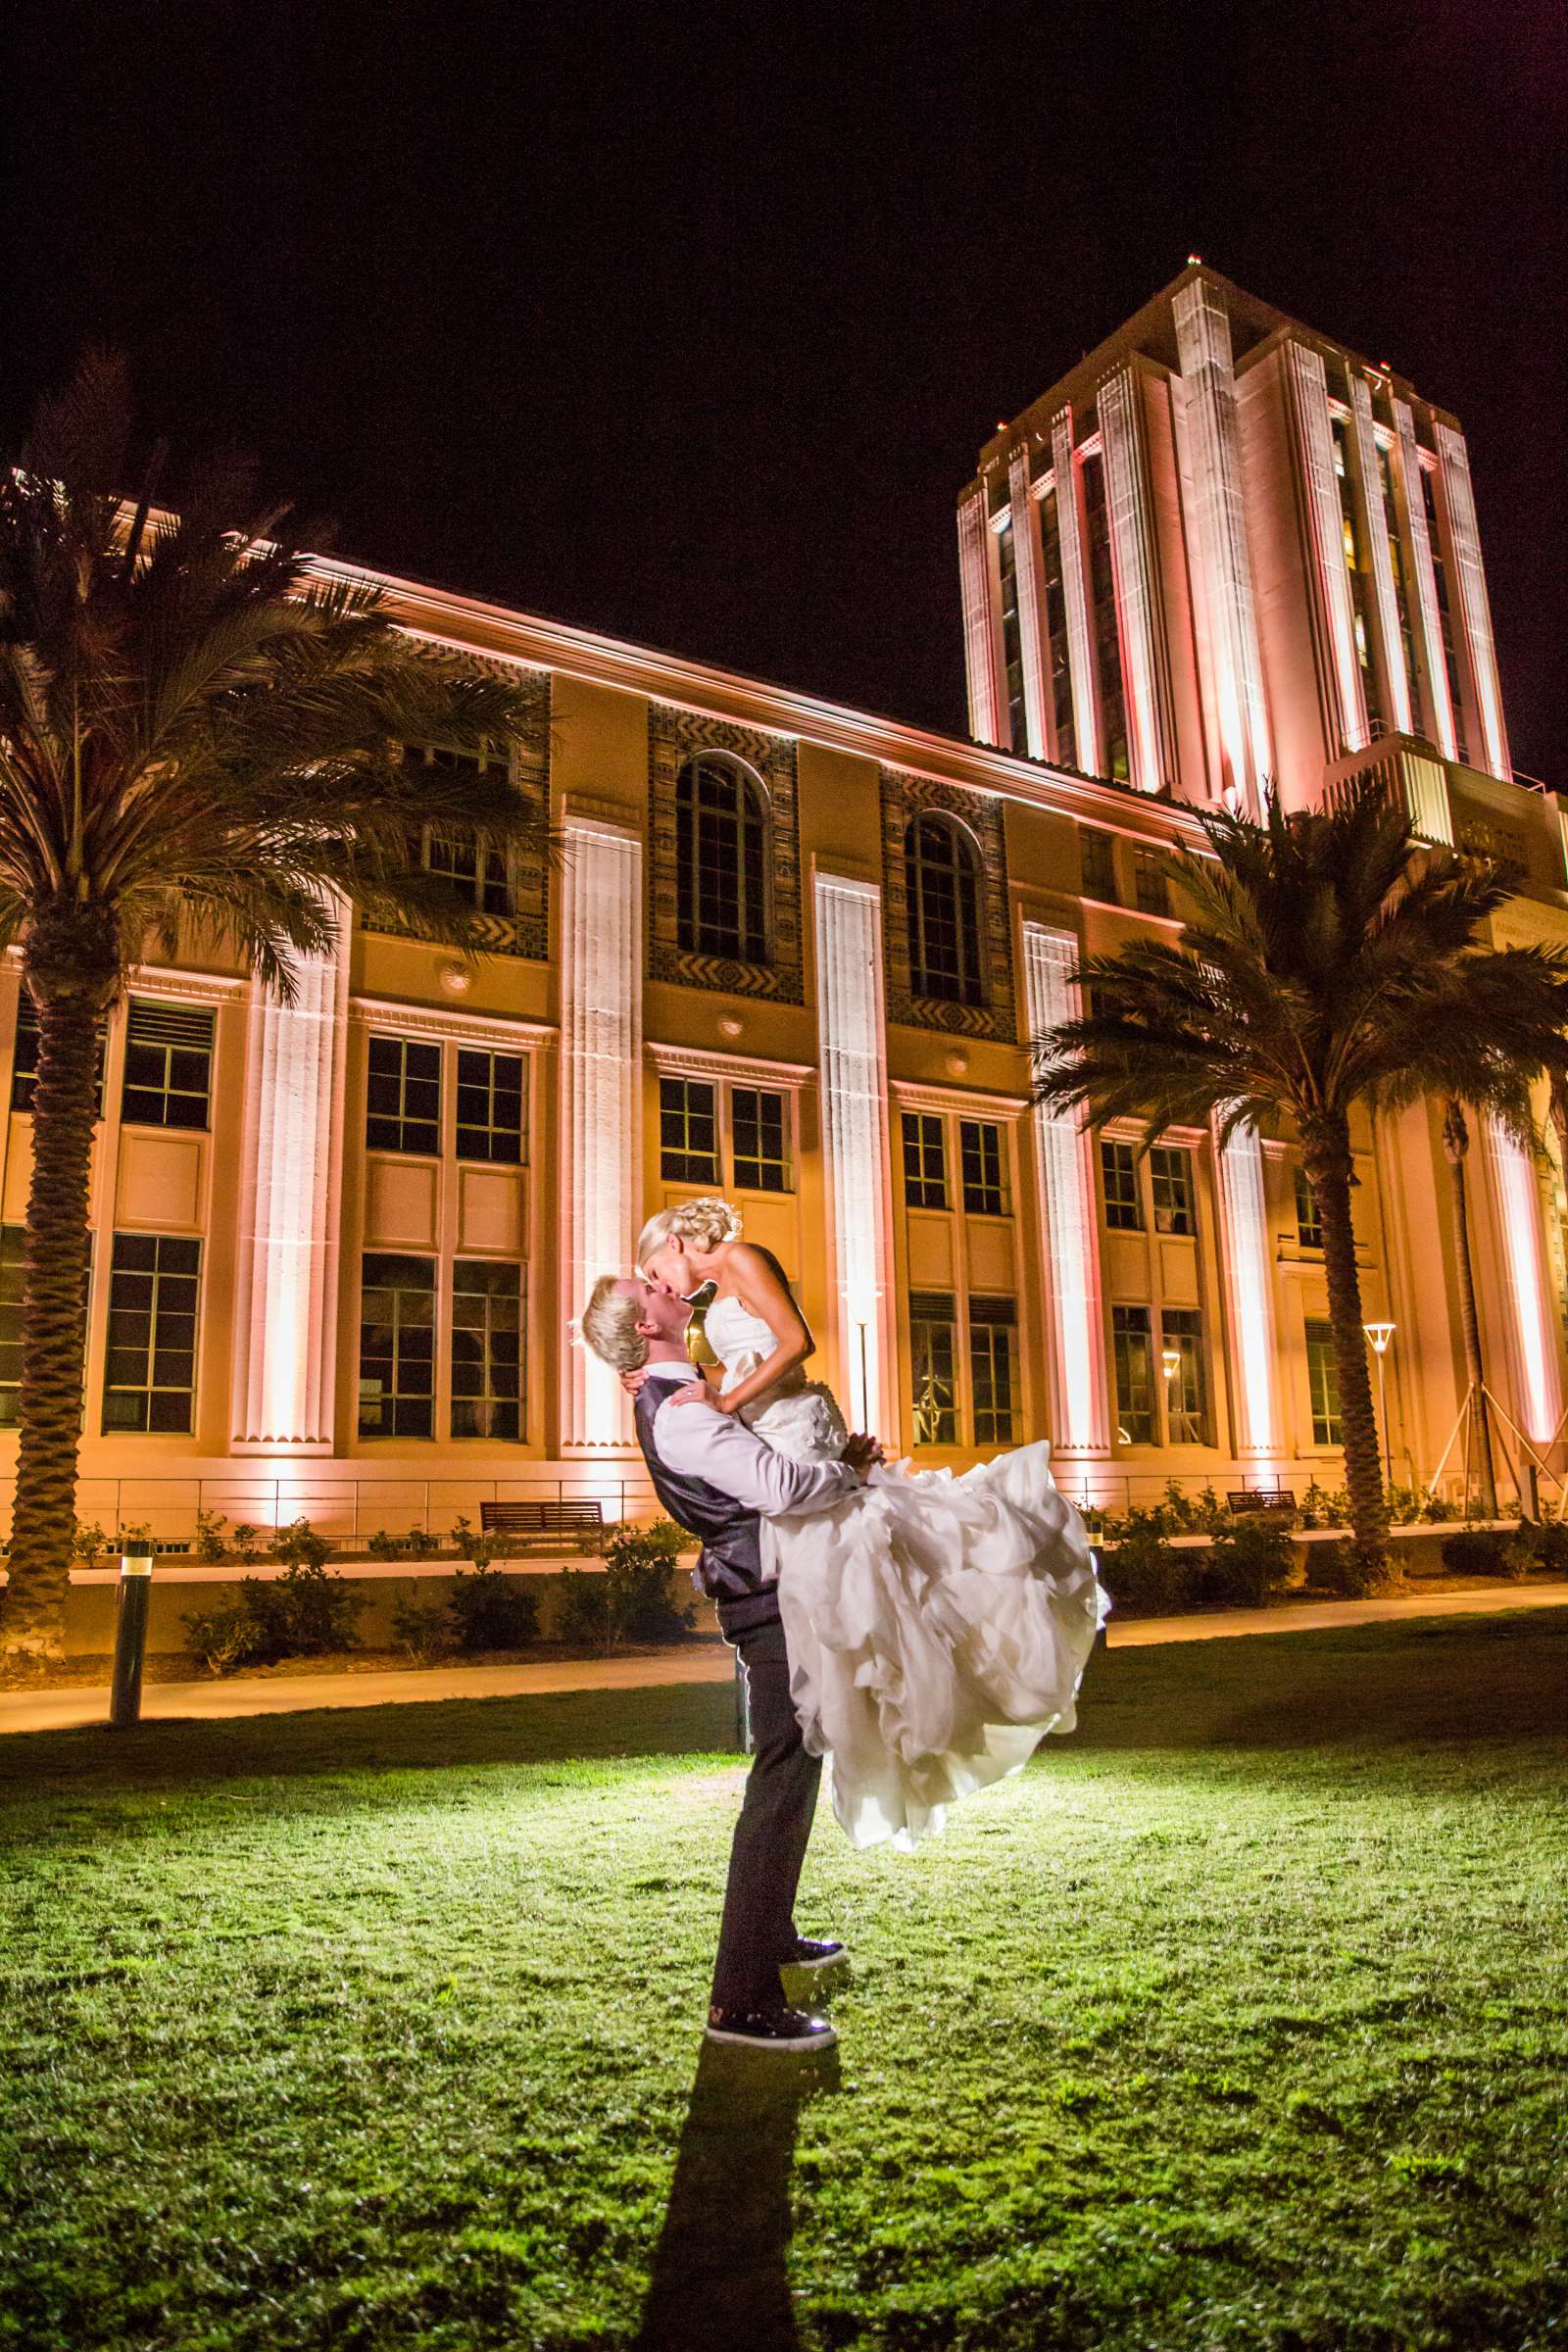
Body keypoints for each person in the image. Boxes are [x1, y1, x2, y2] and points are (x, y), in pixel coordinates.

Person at [634, 1199, 1107, 1853]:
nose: (661, 1285)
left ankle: (917, 1689)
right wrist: (673, 1376)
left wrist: (724, 1400)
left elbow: (798, 1343)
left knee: (864, 1558)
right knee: (847, 1578)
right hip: (779, 1428)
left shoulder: (744, 1258)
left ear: (675, 1243)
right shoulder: (716, 1295)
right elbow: (748, 1362)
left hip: (795, 1424)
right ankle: (853, 1711)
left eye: (656, 1269)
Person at [579, 1270, 884, 2056]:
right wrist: (846, 1472)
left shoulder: (684, 1394)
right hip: (768, 1598)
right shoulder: (681, 1413)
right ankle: (739, 2002)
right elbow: (778, 1485)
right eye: (645, 1289)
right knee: (780, 1774)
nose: (662, 1284)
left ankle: (772, 1938)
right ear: (648, 1329)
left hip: (775, 1585)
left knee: (797, 1760)